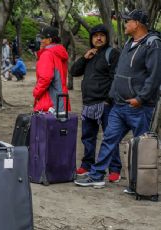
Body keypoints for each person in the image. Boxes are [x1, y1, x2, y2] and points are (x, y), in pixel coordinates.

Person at [75, 10, 161, 188]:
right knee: (109, 140)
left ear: (137, 23)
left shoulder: (153, 44)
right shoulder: (130, 43)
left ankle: (140, 185)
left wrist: (141, 98)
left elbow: (154, 76)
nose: (125, 24)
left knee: (141, 146)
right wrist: (113, 96)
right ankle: (97, 175)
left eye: (127, 21)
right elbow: (119, 75)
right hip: (119, 105)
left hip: (139, 107)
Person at [70, 24, 122, 182]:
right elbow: (73, 71)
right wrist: (85, 58)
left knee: (110, 137)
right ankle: (87, 165)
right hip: (88, 103)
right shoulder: (90, 55)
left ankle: (114, 170)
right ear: (91, 39)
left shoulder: (112, 54)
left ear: (106, 38)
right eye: (95, 36)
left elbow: (115, 77)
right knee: (87, 137)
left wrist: (109, 100)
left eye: (101, 35)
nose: (98, 38)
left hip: (105, 104)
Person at [33, 26, 69, 112]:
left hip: (50, 101)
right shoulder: (59, 52)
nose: (41, 41)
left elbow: (45, 78)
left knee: (47, 124)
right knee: (60, 124)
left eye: (43, 38)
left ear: (49, 39)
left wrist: (36, 93)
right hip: (61, 99)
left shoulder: (47, 54)